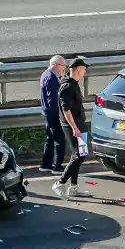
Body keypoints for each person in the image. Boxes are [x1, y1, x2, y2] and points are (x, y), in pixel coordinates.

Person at [53, 58, 92, 200]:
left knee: (80, 154)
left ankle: (73, 187)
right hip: (72, 126)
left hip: (80, 123)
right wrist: (74, 127)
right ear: (77, 70)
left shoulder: (73, 84)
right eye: (83, 68)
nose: (85, 71)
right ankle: (60, 183)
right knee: (79, 155)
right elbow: (66, 109)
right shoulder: (67, 87)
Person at [38, 55, 66, 173]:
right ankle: (57, 166)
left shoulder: (46, 74)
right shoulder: (51, 78)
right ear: (55, 65)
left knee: (50, 138)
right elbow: (53, 99)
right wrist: (60, 114)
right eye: (63, 66)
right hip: (53, 112)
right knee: (59, 139)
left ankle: (46, 164)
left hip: (47, 111)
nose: (64, 69)